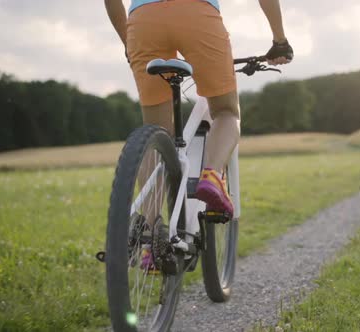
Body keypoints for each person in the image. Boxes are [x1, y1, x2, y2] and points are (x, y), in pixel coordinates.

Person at [104, 0, 294, 218]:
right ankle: (212, 176)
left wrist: (128, 43)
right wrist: (280, 40)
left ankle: (148, 234)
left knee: (156, 135)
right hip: (197, 15)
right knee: (226, 112)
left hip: (143, 22)